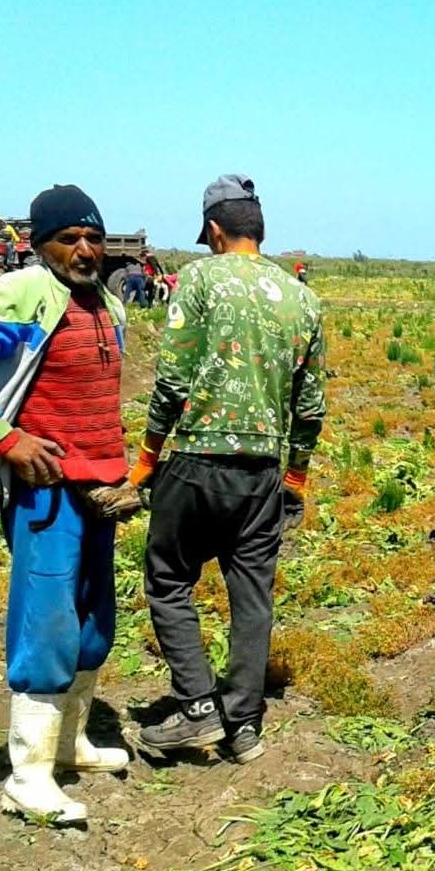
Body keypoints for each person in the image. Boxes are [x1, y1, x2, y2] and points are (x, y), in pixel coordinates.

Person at [130, 174, 326, 764]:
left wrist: (144, 463)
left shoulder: (197, 279)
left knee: (168, 581)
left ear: (214, 231)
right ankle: (243, 727)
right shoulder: (303, 297)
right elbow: (310, 404)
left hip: (195, 461)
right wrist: (294, 478)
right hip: (263, 469)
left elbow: (171, 380)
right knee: (252, 596)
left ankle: (197, 708)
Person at [0, 185, 130, 823]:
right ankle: (27, 775)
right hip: (46, 490)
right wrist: (4, 437)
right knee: (48, 617)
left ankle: (69, 746)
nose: (85, 249)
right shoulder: (22, 292)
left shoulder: (106, 302)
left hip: (99, 488)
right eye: (69, 238)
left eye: (93, 237)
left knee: (93, 617)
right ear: (40, 245)